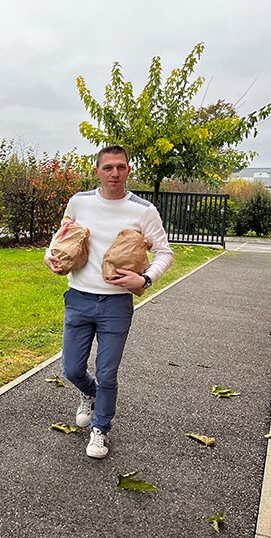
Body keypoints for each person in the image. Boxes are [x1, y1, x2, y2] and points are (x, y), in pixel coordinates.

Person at [43, 145, 173, 459]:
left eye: (121, 167)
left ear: (128, 170)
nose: (115, 173)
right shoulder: (79, 202)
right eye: (108, 167)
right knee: (72, 369)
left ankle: (100, 430)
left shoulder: (143, 210)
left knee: (108, 373)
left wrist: (145, 280)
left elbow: (165, 253)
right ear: (98, 171)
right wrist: (49, 256)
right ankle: (90, 395)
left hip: (116, 305)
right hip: (78, 298)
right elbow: (62, 237)